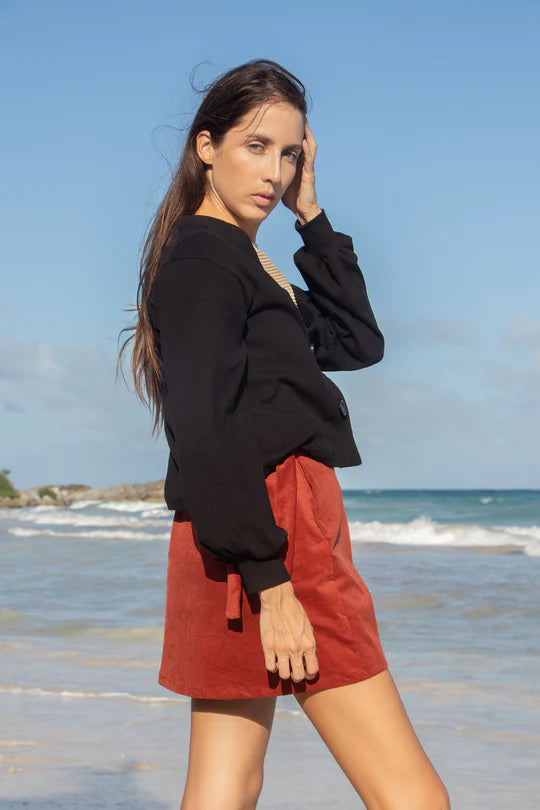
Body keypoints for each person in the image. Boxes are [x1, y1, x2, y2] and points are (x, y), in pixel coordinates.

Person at [118, 59, 450, 810]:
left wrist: (313, 214)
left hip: (235, 535)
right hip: (271, 537)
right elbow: (204, 430)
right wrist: (274, 586)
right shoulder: (207, 261)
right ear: (206, 146)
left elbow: (357, 341)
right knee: (413, 798)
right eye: (256, 146)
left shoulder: (245, 264)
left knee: (227, 787)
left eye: (291, 152)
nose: (274, 170)